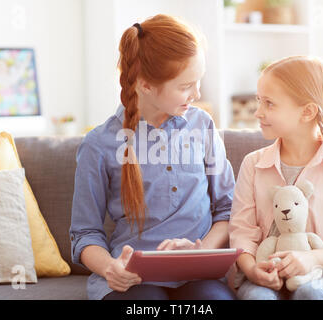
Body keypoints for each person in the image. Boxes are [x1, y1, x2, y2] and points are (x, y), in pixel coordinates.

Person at [69, 14, 236, 300]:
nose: (196, 94)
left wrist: (203, 250)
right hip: (133, 283)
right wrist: (111, 267)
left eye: (198, 82)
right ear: (145, 85)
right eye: (185, 86)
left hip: (197, 276)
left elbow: (227, 210)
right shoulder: (99, 144)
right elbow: (84, 234)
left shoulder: (202, 126)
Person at [229, 56, 323, 300]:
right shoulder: (253, 164)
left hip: (318, 278)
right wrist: (253, 269)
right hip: (262, 280)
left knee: (311, 294)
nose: (258, 112)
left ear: (307, 112)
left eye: (270, 104)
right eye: (258, 101)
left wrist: (311, 259)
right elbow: (241, 232)